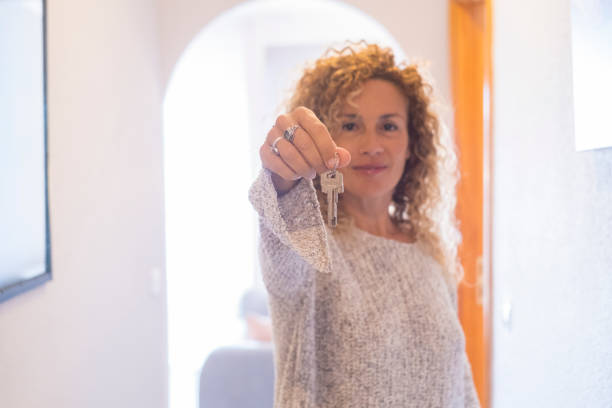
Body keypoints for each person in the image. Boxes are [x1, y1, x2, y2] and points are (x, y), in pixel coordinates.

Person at [248, 42, 480, 407]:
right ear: (327, 137)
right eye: (350, 124)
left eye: (388, 126)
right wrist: (284, 176)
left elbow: (458, 381)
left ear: (411, 143)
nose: (372, 145)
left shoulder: (428, 250)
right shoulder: (312, 246)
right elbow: (281, 224)